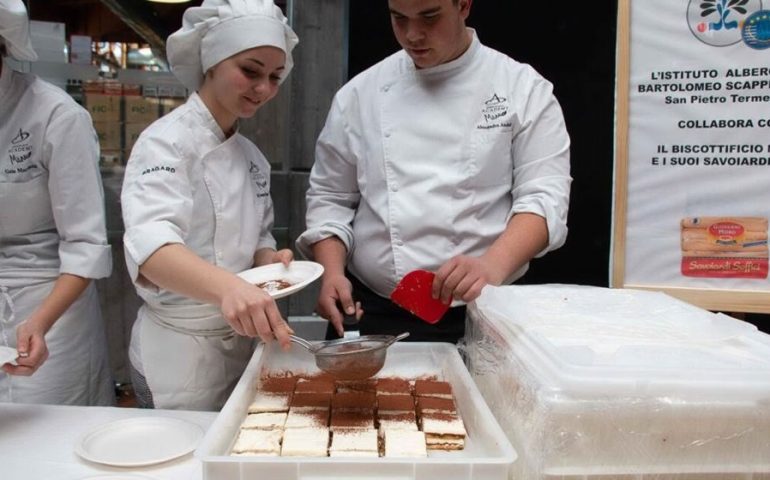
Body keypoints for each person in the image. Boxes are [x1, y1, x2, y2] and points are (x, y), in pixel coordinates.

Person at [297, 0, 571, 343]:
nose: (413, 35)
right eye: (399, 19)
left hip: (485, 312)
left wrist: (492, 265)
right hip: (375, 313)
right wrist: (333, 272)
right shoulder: (359, 95)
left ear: (464, 5)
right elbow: (331, 197)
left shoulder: (523, 89)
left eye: (429, 17)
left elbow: (544, 199)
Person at [121, 0, 299, 411]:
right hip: (177, 351)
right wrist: (231, 288)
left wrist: (271, 260)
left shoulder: (251, 155)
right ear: (212, 62)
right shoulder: (164, 142)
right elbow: (152, 251)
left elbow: (256, 236)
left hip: (238, 342)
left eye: (275, 77)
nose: (264, 89)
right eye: (250, 71)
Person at [0, 0, 114, 405]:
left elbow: (85, 244)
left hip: (50, 309)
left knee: (48, 439)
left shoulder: (56, 116)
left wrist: (41, 322)